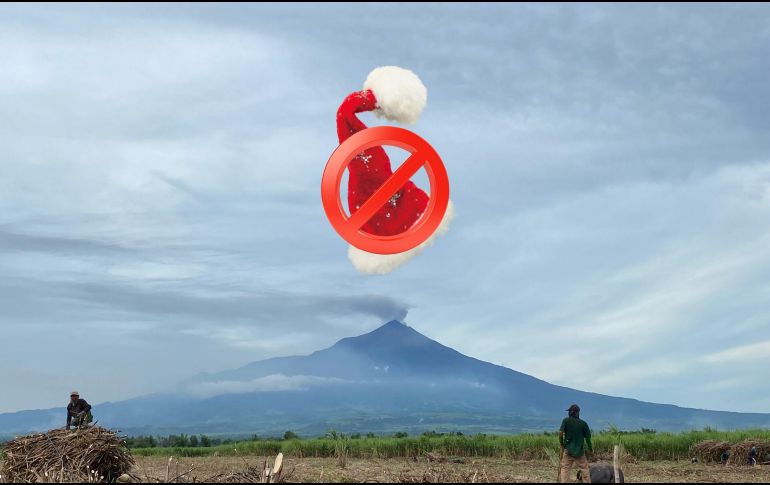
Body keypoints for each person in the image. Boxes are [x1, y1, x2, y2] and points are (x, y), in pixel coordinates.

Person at [559, 404, 593, 483]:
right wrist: (590, 449)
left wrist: (562, 443)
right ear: (578, 413)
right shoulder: (583, 424)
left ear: (571, 412)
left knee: (565, 469)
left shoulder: (566, 420)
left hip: (568, 450)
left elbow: (560, 433)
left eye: (570, 411)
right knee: (585, 469)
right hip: (579, 452)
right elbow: (588, 438)